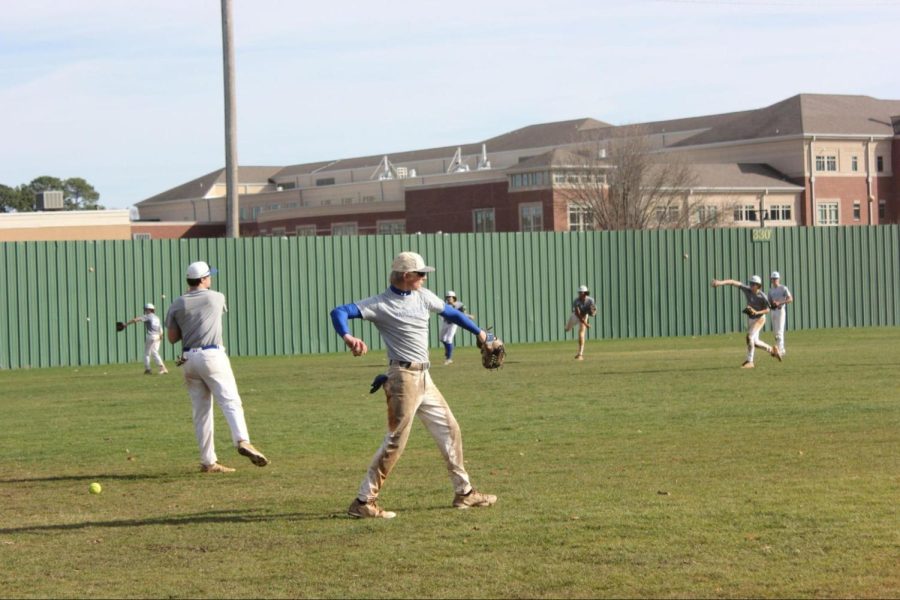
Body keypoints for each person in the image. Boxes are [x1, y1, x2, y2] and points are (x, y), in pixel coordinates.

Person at [330, 251, 497, 519]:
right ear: (406, 276)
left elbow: (452, 313)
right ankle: (363, 501)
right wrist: (348, 337)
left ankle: (464, 493)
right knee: (395, 442)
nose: (424, 277)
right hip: (403, 379)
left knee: (450, 429)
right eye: (420, 274)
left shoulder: (423, 295)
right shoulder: (380, 304)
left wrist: (479, 332)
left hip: (425, 378)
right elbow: (339, 311)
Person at [165, 261, 269, 474]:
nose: (211, 279)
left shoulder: (177, 303)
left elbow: (172, 338)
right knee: (230, 400)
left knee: (201, 412)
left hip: (187, 359)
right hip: (212, 355)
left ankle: (208, 462)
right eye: (208, 276)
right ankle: (242, 440)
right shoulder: (217, 297)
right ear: (203, 279)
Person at [711, 275, 783, 368]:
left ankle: (750, 361)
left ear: (758, 286)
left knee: (749, 337)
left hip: (760, 318)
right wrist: (720, 283)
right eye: (751, 283)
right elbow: (733, 282)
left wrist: (757, 312)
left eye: (754, 284)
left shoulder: (762, 296)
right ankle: (772, 350)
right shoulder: (747, 290)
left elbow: (768, 310)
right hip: (751, 318)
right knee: (755, 342)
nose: (751, 285)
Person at [124, 303, 168, 375]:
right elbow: (160, 328)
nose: (145, 311)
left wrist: (126, 324)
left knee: (147, 353)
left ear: (148, 310)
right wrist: (161, 335)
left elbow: (136, 320)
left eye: (145, 309)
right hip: (158, 336)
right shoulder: (157, 317)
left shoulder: (148, 316)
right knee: (154, 352)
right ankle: (162, 368)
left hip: (151, 336)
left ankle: (148, 369)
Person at [439, 290, 475, 365]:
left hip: (454, 323)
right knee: (442, 338)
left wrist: (469, 316)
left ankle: (448, 358)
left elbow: (462, 314)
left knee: (449, 339)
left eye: (450, 297)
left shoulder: (459, 305)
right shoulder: (444, 305)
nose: (449, 298)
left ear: (454, 297)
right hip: (446, 322)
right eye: (447, 297)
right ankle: (447, 350)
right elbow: (441, 314)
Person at [564, 285, 597, 360]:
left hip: (584, 316)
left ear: (585, 293)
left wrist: (594, 312)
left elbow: (593, 309)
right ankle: (568, 327)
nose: (579, 294)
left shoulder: (591, 300)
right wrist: (586, 324)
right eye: (579, 292)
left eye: (581, 292)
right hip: (576, 316)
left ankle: (580, 354)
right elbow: (578, 314)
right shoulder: (576, 301)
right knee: (567, 329)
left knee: (581, 333)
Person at [767, 271, 794, 357]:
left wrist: (780, 302)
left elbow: (790, 299)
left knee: (780, 331)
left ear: (779, 279)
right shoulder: (770, 291)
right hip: (773, 311)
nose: (775, 280)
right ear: (771, 280)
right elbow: (769, 302)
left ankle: (781, 350)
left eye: (776, 279)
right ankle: (779, 349)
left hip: (781, 310)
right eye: (773, 279)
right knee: (775, 333)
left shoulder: (783, 288)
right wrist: (772, 303)